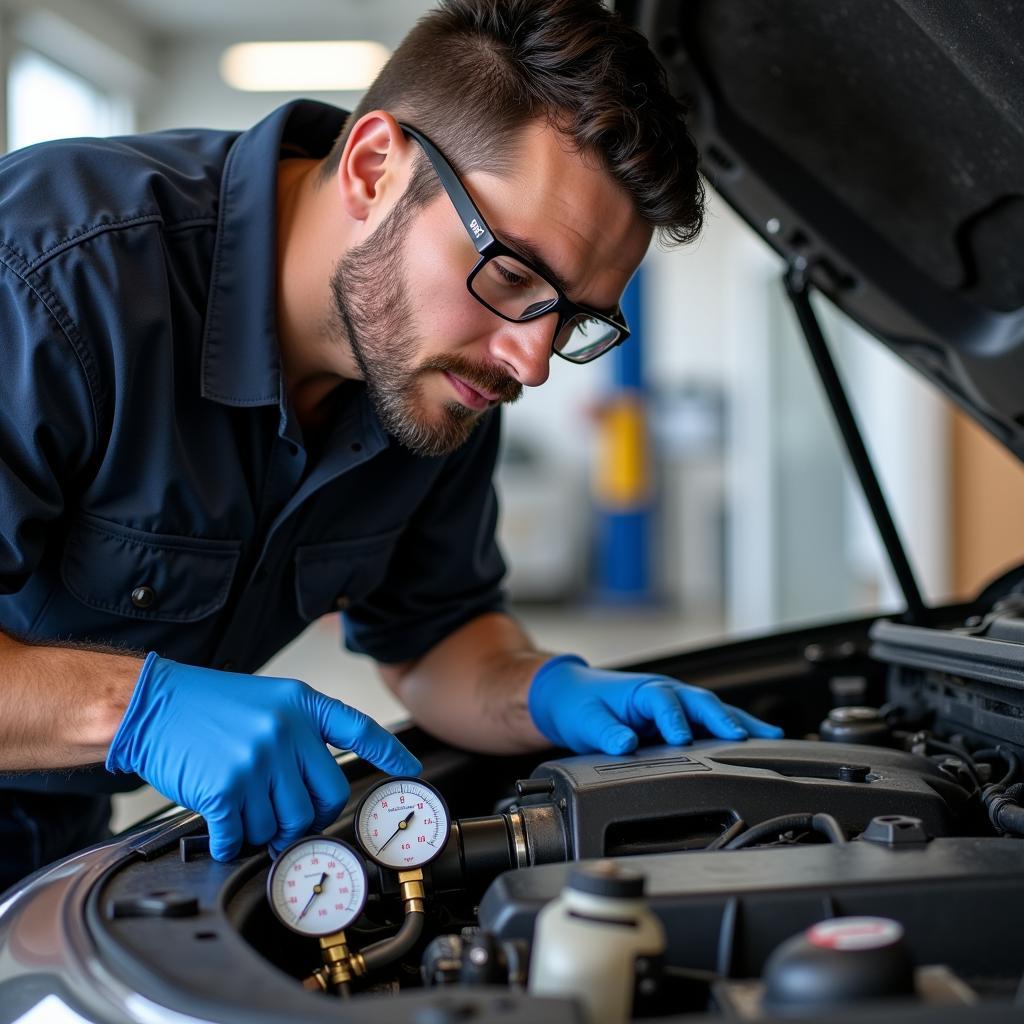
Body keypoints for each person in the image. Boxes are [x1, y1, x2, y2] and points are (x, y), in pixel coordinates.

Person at [0, 0, 781, 891]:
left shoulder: (439, 377)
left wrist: (543, 691)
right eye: (513, 273)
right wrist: (135, 709)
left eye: (574, 320)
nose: (531, 363)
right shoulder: (49, 278)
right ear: (374, 168)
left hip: (57, 833)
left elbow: (435, 636)